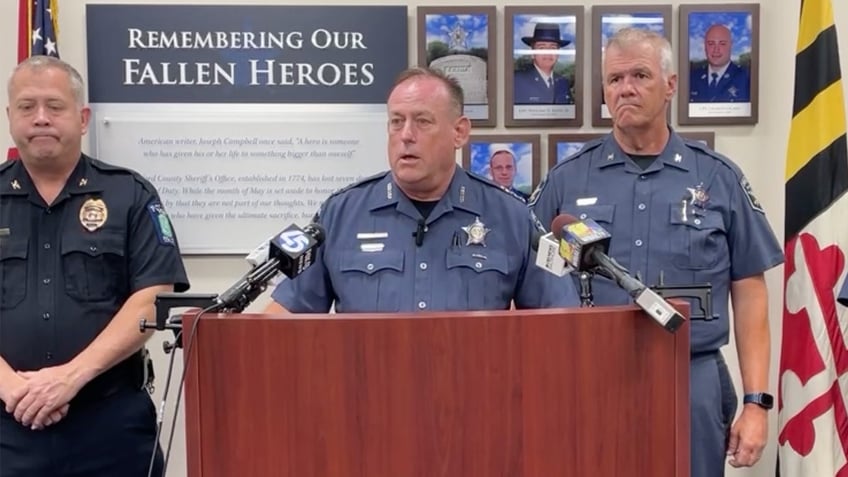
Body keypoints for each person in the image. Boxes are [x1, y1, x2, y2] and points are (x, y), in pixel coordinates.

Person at [530, 28, 782, 477]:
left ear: (670, 85)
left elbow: (749, 291)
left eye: (640, 75)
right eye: (614, 79)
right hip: (587, 380)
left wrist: (756, 402)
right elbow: (525, 284)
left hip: (691, 378)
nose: (624, 88)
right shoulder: (566, 180)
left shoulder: (717, 178)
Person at [0, 55, 190, 476]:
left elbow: (152, 297)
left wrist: (70, 378)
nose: (41, 118)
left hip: (110, 425)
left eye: (55, 105)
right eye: (27, 107)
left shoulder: (131, 195)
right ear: (10, 117)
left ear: (82, 118)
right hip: (6, 426)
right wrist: (12, 387)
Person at [265, 67, 578, 314]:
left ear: (460, 132)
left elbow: (559, 319)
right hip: (367, 393)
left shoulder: (511, 216)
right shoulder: (340, 214)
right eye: (396, 121)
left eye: (422, 121)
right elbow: (286, 317)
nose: (406, 135)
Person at [513, 23, 573, 105]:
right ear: (532, 53)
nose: (548, 52)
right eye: (541, 47)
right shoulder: (517, 80)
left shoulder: (563, 82)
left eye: (553, 48)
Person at [689, 24, 751, 103]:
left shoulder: (746, 77)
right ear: (705, 46)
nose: (716, 49)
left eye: (722, 44)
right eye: (711, 43)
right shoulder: (691, 77)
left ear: (731, 45)